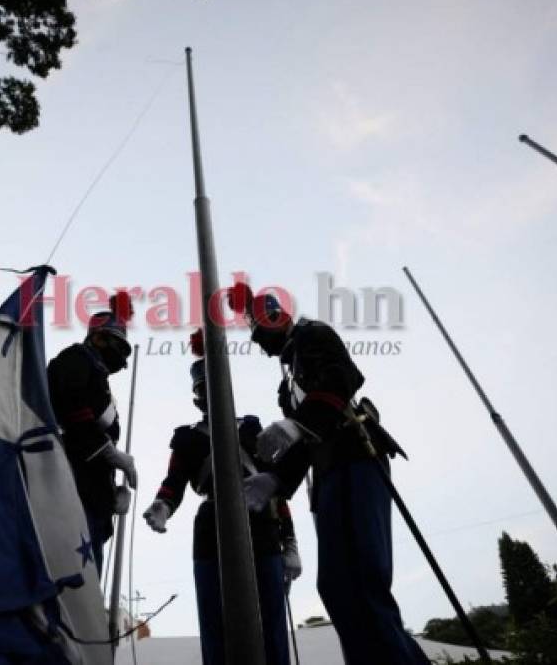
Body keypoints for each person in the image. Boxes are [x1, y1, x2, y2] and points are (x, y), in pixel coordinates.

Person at [229, 284, 430, 665]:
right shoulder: (285, 385)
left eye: (259, 333)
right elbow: (303, 442)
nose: (258, 343)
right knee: (336, 586)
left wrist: (297, 425)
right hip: (326, 476)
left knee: (362, 579)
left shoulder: (313, 334)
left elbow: (343, 378)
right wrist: (277, 479)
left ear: (278, 318)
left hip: (355, 457)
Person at [142, 330, 299, 665]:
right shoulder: (186, 438)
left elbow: (272, 485)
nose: (208, 394)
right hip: (210, 525)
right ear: (196, 397)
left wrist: (290, 542)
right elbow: (174, 481)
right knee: (215, 622)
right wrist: (163, 505)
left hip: (259, 521)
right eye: (202, 390)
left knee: (271, 620)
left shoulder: (253, 429)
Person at [47, 292, 137, 575]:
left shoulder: (100, 379)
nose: (122, 357)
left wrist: (111, 495)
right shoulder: (76, 357)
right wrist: (107, 450)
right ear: (98, 338)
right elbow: (71, 405)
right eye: (118, 347)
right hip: (69, 482)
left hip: (92, 493)